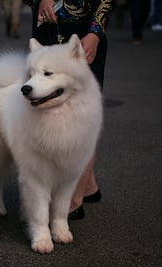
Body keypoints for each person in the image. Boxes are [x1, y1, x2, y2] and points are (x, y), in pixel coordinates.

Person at [25, 0, 112, 219]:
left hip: (84, 37)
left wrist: (96, 33)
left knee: (83, 116)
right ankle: (89, 187)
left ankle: (72, 202)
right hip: (47, 30)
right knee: (46, 110)